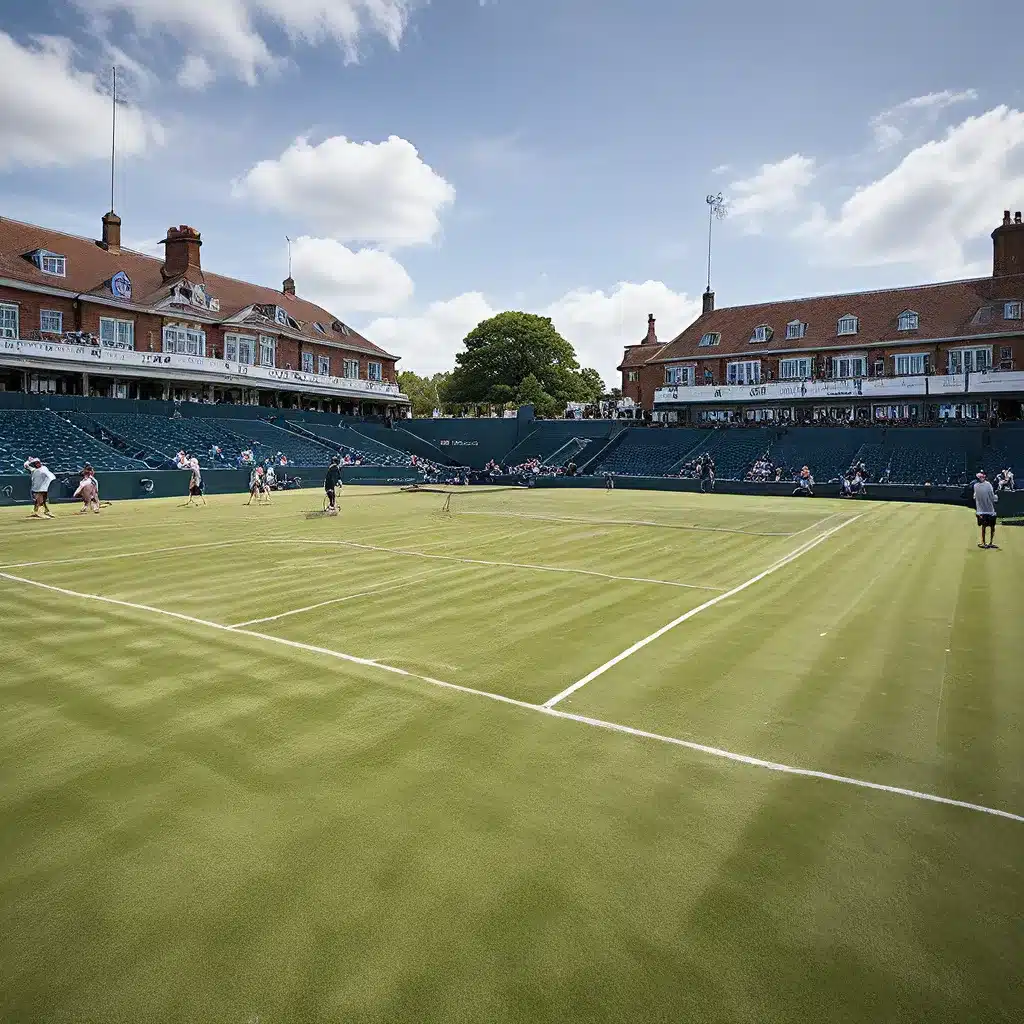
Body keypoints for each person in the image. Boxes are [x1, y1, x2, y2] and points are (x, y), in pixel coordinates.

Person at [972, 471, 998, 549]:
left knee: (991, 527)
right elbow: (992, 497)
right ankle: (984, 543)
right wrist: (996, 498)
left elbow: (975, 496)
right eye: (980, 477)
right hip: (983, 510)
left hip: (988, 510)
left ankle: (990, 543)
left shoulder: (985, 485)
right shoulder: (977, 485)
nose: (981, 478)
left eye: (982, 477)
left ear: (984, 477)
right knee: (984, 527)